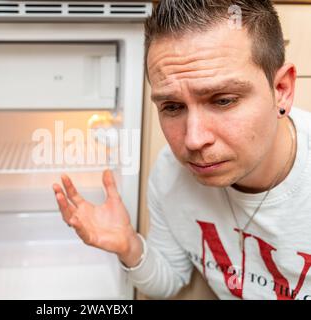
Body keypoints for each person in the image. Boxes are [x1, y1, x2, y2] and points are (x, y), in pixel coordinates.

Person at [52, 0, 311, 300]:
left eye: (223, 100)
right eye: (172, 107)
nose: (193, 140)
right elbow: (170, 280)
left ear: (281, 90)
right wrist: (129, 246)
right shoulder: (171, 173)